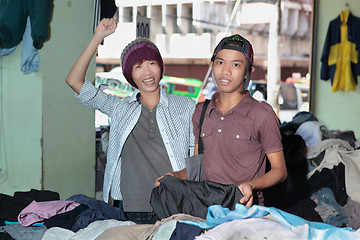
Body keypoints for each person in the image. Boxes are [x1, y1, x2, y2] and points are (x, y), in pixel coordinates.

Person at [65, 18, 195, 224]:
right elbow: (74, 81)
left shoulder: (186, 106)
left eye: (152, 63)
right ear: (129, 75)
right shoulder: (119, 108)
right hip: (131, 208)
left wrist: (180, 175)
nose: (147, 72)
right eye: (138, 66)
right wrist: (97, 38)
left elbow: (199, 158)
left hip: (175, 204)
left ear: (161, 67)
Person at [156, 34, 287, 208]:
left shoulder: (261, 114)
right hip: (205, 207)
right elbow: (199, 166)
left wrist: (251, 185)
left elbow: (280, 171)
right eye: (220, 62)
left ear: (248, 71)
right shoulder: (201, 111)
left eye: (235, 65)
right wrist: (175, 176)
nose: (226, 71)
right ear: (212, 65)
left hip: (244, 210)